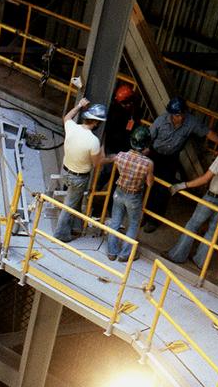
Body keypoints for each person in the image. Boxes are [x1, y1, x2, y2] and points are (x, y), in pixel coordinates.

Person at [166, 120, 218, 269]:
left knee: (192, 225)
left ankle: (177, 256)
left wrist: (182, 185)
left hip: (212, 197)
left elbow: (205, 178)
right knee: (212, 231)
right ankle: (200, 262)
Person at [142, 97, 218, 229]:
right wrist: (143, 154)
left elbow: (208, 132)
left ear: (185, 112)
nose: (177, 118)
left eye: (180, 114)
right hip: (155, 156)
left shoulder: (191, 122)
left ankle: (154, 221)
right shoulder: (161, 120)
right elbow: (148, 138)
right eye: (175, 115)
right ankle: (144, 216)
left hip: (171, 159)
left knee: (163, 190)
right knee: (149, 186)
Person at [55, 98, 106, 242]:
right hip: (79, 177)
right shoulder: (93, 141)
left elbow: (67, 117)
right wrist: (108, 157)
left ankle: (76, 227)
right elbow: (97, 164)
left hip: (65, 171)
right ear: (96, 122)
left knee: (74, 199)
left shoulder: (72, 127)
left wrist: (79, 105)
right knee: (69, 205)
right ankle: (61, 234)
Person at [103, 126, 154, 264]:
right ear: (146, 145)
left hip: (119, 192)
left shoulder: (121, 156)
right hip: (134, 196)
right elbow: (149, 183)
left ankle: (112, 252)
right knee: (133, 224)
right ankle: (124, 255)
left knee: (115, 221)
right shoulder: (148, 164)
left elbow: (111, 160)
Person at [105, 81, 142, 155]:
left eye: (128, 102)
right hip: (115, 144)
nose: (127, 105)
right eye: (124, 104)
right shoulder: (114, 112)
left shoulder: (134, 108)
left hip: (126, 141)